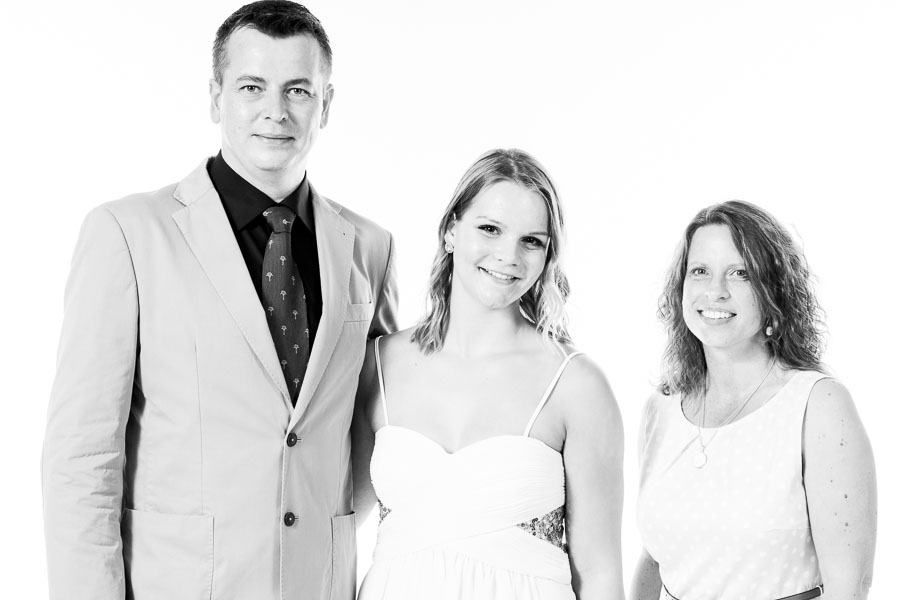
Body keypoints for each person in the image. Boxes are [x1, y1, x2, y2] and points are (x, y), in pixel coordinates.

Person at [41, 2, 398, 599]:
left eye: (298, 90)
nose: (275, 111)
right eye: (252, 87)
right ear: (215, 97)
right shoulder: (128, 234)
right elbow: (81, 457)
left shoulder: (370, 246)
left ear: (326, 104)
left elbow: (378, 429)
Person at [350, 149, 625, 599]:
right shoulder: (377, 364)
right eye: (490, 229)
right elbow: (334, 525)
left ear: (547, 256)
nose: (508, 256)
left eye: (531, 241)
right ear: (451, 230)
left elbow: (600, 575)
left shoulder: (576, 385)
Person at [631, 201, 876, 600]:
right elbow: (654, 557)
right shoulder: (661, 410)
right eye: (700, 271)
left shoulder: (817, 405)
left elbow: (849, 586)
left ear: (773, 289)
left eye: (740, 273)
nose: (716, 291)